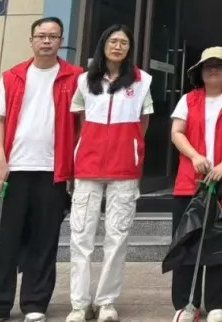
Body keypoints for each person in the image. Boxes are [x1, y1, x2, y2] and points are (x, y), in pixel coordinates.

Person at [0, 17, 85, 322]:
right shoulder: (12, 76)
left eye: (53, 36)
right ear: (31, 40)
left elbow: (82, 124)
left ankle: (35, 303)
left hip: (52, 171)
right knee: (3, 239)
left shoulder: (76, 77)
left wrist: (75, 167)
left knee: (44, 239)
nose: (47, 41)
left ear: (61, 41)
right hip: (13, 169)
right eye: (41, 36)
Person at [67, 25, 154, 322]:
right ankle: (79, 303)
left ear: (130, 49)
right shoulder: (84, 80)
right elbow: (80, 119)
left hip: (124, 167)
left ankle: (106, 301)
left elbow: (144, 120)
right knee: (81, 236)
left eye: (124, 43)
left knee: (117, 237)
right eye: (113, 41)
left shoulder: (142, 80)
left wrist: (130, 147)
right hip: (88, 166)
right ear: (103, 45)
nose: (118, 46)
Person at [170, 46, 222, 322]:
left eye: (219, 65)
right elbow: (177, 132)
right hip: (190, 182)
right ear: (200, 72)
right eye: (208, 66)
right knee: (187, 241)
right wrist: (194, 156)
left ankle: (218, 303)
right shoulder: (188, 100)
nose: (213, 70)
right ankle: (186, 303)